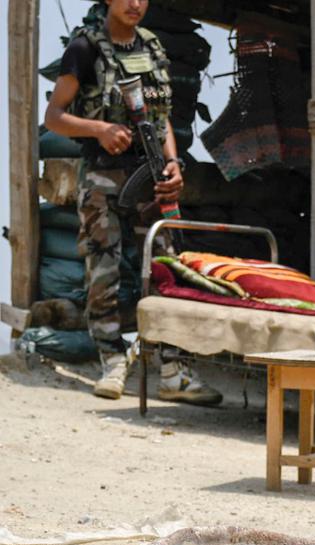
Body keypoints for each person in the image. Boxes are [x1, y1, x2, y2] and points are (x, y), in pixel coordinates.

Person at [45, 0, 222, 405]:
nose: (136, 4)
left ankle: (172, 370)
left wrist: (174, 164)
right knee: (103, 269)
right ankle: (112, 360)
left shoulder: (153, 46)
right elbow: (54, 116)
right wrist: (99, 129)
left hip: (151, 177)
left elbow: (162, 122)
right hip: (103, 176)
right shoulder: (85, 48)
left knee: (165, 270)